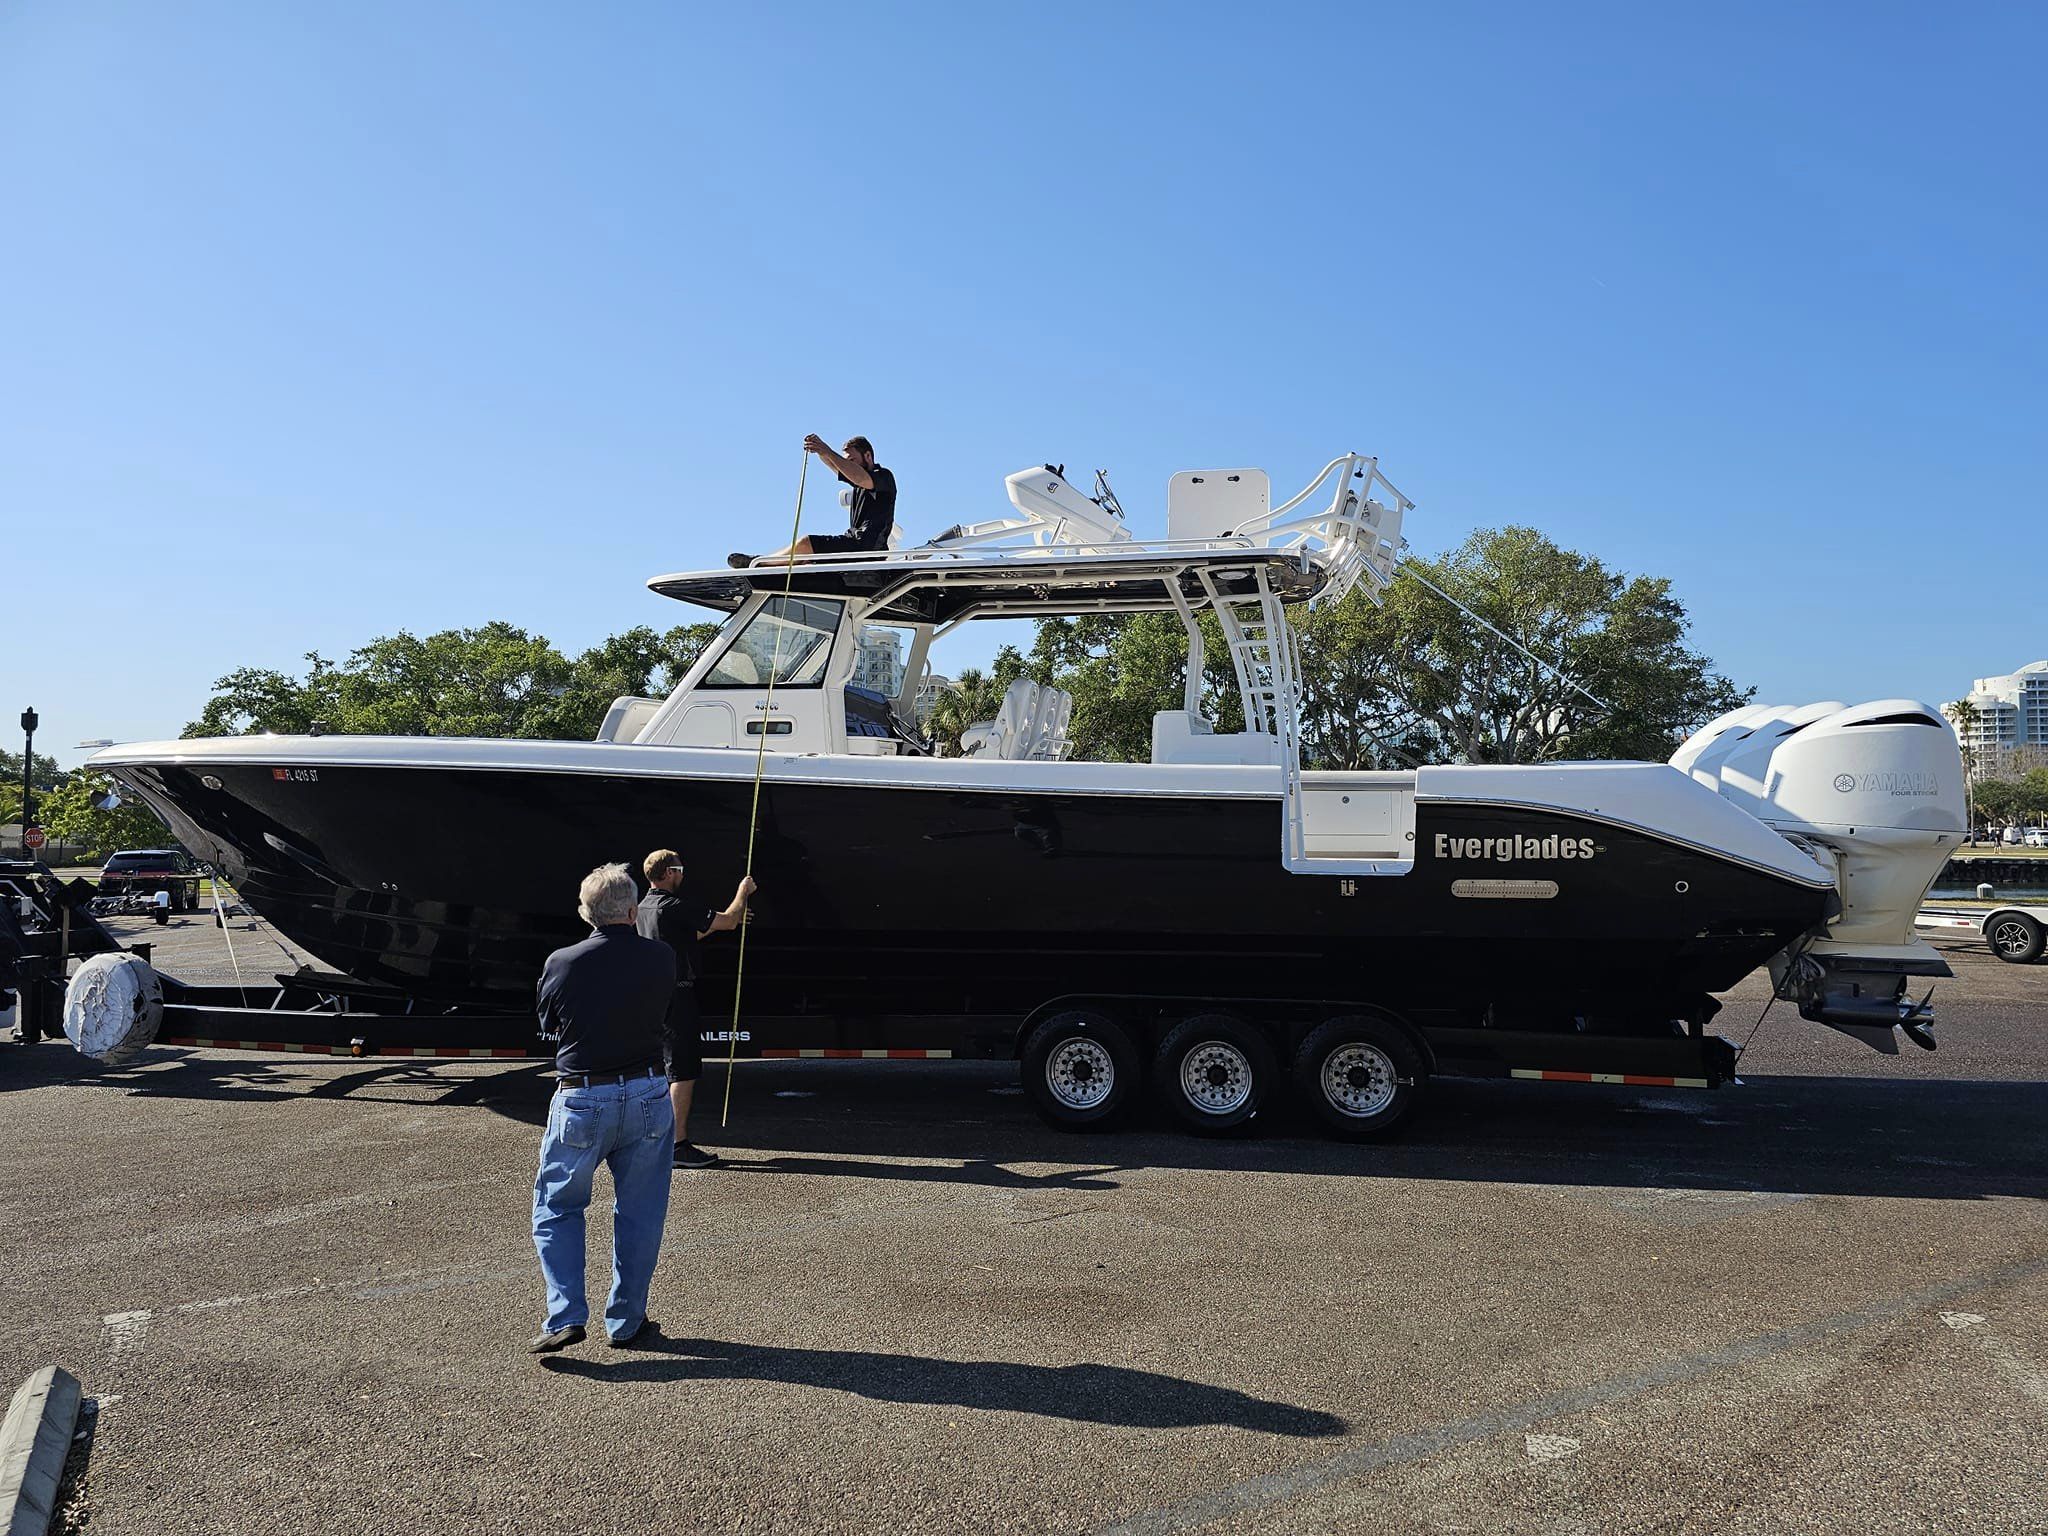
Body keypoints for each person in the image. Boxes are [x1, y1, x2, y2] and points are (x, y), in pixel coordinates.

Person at [529, 862, 677, 1353]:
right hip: (648, 1091)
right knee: (640, 1212)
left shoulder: (563, 961)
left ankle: (565, 1315)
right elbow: (665, 1012)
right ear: (633, 912)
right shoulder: (661, 957)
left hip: (583, 1095)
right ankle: (627, 1320)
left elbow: (548, 1023)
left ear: (585, 913)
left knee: (558, 1206)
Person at [636, 849, 756, 1170]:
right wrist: (743, 892)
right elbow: (728, 921)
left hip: (654, 996)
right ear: (669, 873)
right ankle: (677, 1145)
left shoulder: (644, 907)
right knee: (683, 1069)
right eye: (680, 869)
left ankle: (657, 1139)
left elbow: (692, 933)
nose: (683, 874)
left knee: (664, 1068)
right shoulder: (675, 905)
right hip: (678, 995)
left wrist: (722, 920)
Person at [729, 434, 896, 567]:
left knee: (806, 543)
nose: (848, 466)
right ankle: (771, 564)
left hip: (866, 548)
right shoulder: (858, 481)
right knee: (806, 557)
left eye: (852, 461)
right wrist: (821, 451)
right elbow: (837, 467)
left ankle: (760, 563)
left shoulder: (883, 477)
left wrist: (827, 450)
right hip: (854, 544)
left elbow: (861, 478)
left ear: (868, 456)